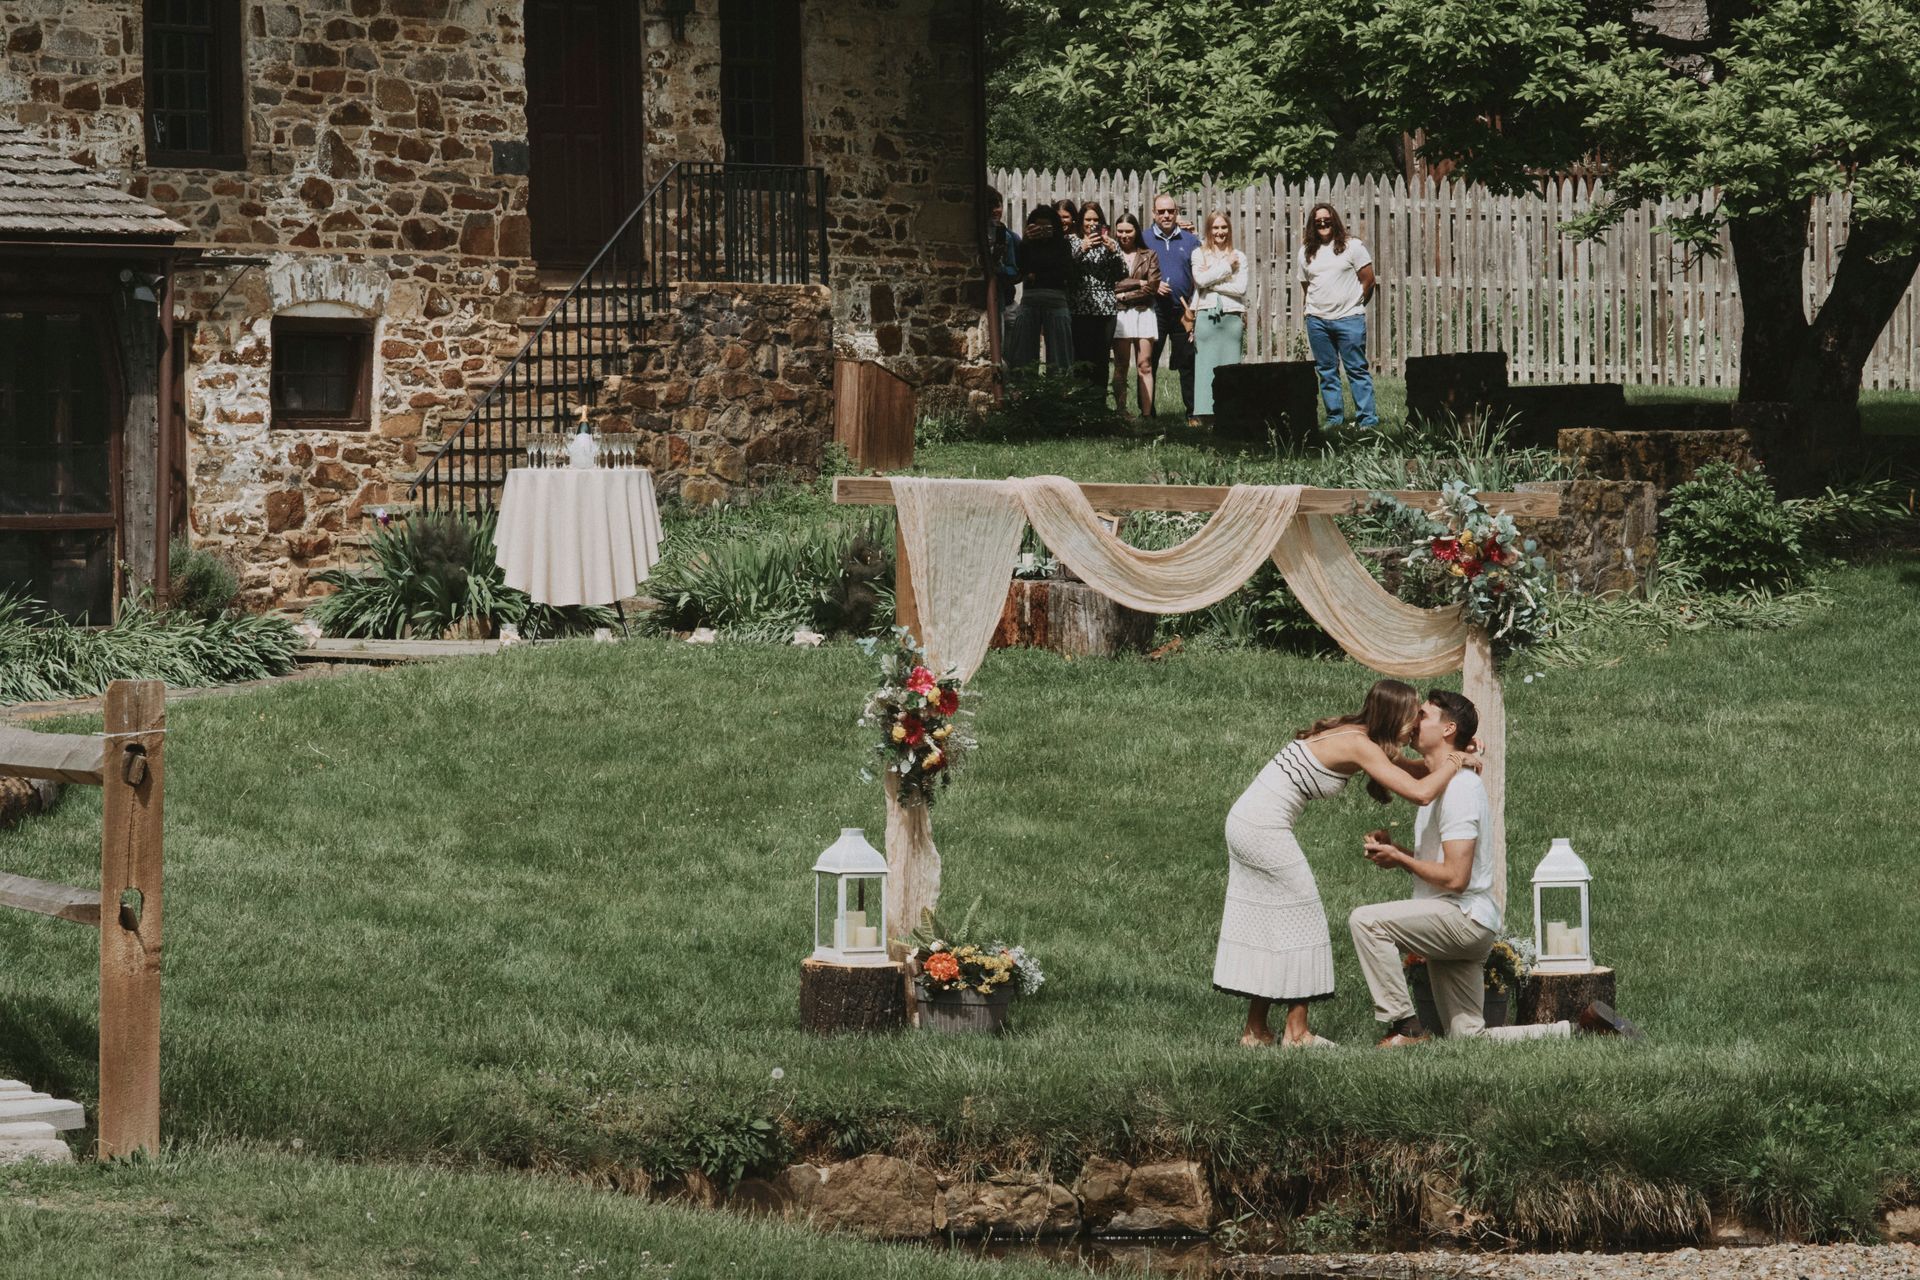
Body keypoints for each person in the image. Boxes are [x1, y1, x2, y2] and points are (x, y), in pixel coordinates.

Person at [1213, 680, 1481, 1050]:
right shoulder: (1359, 744)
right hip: (1262, 827)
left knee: (1274, 921)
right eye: (1412, 715)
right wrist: (1454, 761)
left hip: (1249, 822)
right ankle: (1297, 1033)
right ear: (1394, 715)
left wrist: (1458, 753)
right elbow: (1421, 793)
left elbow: (1418, 772)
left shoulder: (1363, 739)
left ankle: (1256, 1031)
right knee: (1303, 919)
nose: (1416, 724)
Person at [1349, 692, 1575, 1045]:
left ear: (1448, 728)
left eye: (1422, 714)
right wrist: (1398, 851)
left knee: (1366, 921)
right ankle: (1572, 1031)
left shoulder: (1460, 789)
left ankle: (1404, 1027)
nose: (1413, 719)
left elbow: (1456, 878)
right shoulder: (1441, 780)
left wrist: (1401, 860)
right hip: (1463, 917)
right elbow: (1391, 762)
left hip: (1462, 918)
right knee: (1468, 1038)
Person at [1298, 202, 1379, 429]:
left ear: (1334, 220)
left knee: (1356, 369)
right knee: (1326, 371)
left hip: (1349, 319)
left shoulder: (1353, 246)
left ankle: (1367, 419)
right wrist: (1315, 309)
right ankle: (1334, 418)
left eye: (1327, 219)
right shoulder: (1305, 252)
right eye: (1318, 221)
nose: (1323, 223)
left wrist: (1355, 305)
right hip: (1317, 320)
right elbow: (1307, 286)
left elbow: (1369, 280)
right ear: (1312, 225)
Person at [1190, 210, 1249, 423]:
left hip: (1232, 316)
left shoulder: (1239, 256)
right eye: (1215, 227)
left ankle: (1231, 413)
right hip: (1206, 315)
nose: (1220, 232)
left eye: (1224, 227)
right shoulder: (1199, 254)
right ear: (1209, 230)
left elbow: (1241, 288)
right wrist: (1226, 268)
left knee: (1231, 365)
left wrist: (1212, 279)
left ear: (1229, 230)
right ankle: (1205, 414)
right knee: (1205, 364)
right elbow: (1199, 280)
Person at [1144, 193, 1200, 418]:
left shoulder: (1190, 240)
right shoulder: (1143, 238)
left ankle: (1193, 412)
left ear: (1177, 213)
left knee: (1188, 362)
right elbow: (1133, 270)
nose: (1166, 215)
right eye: (1161, 211)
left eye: (1170, 211)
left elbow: (1201, 273)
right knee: (1149, 362)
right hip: (1153, 309)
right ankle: (1147, 412)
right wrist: (1153, 285)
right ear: (1153, 214)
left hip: (1182, 311)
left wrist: (1194, 306)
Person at [1004, 203, 1074, 372]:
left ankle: (1058, 390)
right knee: (1023, 355)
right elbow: (1020, 268)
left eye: (1047, 227)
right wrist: (1027, 241)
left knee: (1059, 355)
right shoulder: (1026, 245)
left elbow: (1066, 273)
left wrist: (1036, 275)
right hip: (1030, 300)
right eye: (1038, 226)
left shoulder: (1063, 245)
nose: (1042, 230)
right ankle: (1025, 390)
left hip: (1055, 300)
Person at [1068, 201, 1125, 391]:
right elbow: (1066, 271)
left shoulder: (1111, 244)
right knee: (1081, 357)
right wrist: (1082, 248)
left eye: (1096, 219)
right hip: (1079, 307)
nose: (1092, 223)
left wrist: (1113, 251)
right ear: (1080, 221)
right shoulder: (1072, 241)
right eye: (1087, 219)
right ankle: (1081, 404)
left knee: (1101, 358)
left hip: (1106, 309)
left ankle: (1099, 402)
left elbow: (1122, 274)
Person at [1109, 213, 1161, 415]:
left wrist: (1124, 295)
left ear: (1136, 231)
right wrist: (1138, 282)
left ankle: (1147, 414)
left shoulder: (1149, 255)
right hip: (1121, 314)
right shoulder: (1111, 254)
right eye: (1120, 231)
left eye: (1128, 231)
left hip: (1143, 312)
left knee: (1145, 365)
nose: (1124, 235)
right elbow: (1110, 285)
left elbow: (1153, 287)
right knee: (1121, 365)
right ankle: (1121, 410)